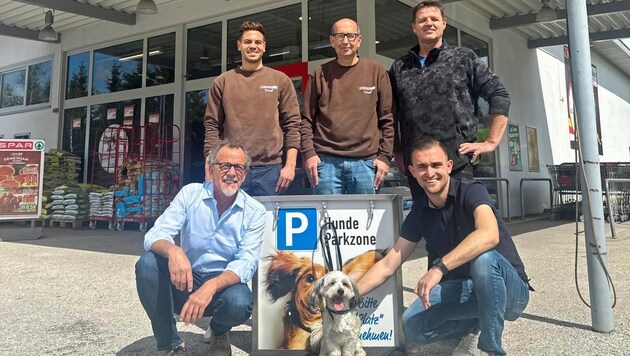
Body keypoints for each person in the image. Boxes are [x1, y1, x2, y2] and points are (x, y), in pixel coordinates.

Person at [357, 138, 531, 356]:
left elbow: (489, 234)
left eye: (436, 165)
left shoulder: (471, 191)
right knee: (413, 326)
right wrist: (349, 294)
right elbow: (388, 264)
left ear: (449, 166)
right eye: (422, 167)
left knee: (484, 259)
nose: (430, 173)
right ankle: (474, 324)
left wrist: (438, 268)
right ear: (412, 171)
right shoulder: (419, 213)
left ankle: (490, 349)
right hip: (465, 289)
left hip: (510, 292)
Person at [135, 140, 266, 355]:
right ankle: (170, 344)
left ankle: (217, 331)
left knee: (240, 302)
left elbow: (246, 263)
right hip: (185, 280)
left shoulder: (255, 211)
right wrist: (174, 251)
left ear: (245, 173)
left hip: (221, 285)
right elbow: (155, 234)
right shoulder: (190, 194)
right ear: (211, 168)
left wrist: (211, 286)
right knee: (147, 264)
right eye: (225, 166)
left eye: (239, 167)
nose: (231, 173)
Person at [389, 0, 511, 200]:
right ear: (414, 27)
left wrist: (490, 141)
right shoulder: (399, 67)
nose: (428, 23)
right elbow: (391, 114)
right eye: (422, 20)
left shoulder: (463, 58)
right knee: (427, 227)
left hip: (457, 163)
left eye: (434, 19)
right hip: (418, 168)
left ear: (444, 24)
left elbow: (499, 94)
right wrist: (397, 151)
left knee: (463, 227)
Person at [204, 20, 301, 196]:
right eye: (248, 42)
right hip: (232, 169)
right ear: (239, 45)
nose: (253, 46)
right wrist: (210, 166)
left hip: (271, 171)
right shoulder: (223, 82)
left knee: (268, 222)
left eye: (257, 42)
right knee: (230, 222)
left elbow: (293, 125)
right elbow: (212, 127)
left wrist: (290, 165)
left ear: (264, 46)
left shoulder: (280, 80)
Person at [300, 18, 394, 194]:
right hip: (326, 164)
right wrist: (309, 154)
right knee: (327, 221)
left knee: (366, 220)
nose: (345, 41)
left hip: (366, 164)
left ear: (359, 40)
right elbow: (306, 121)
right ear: (332, 41)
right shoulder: (319, 74)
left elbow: (387, 119)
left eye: (351, 36)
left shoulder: (376, 72)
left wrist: (385, 157)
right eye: (340, 36)